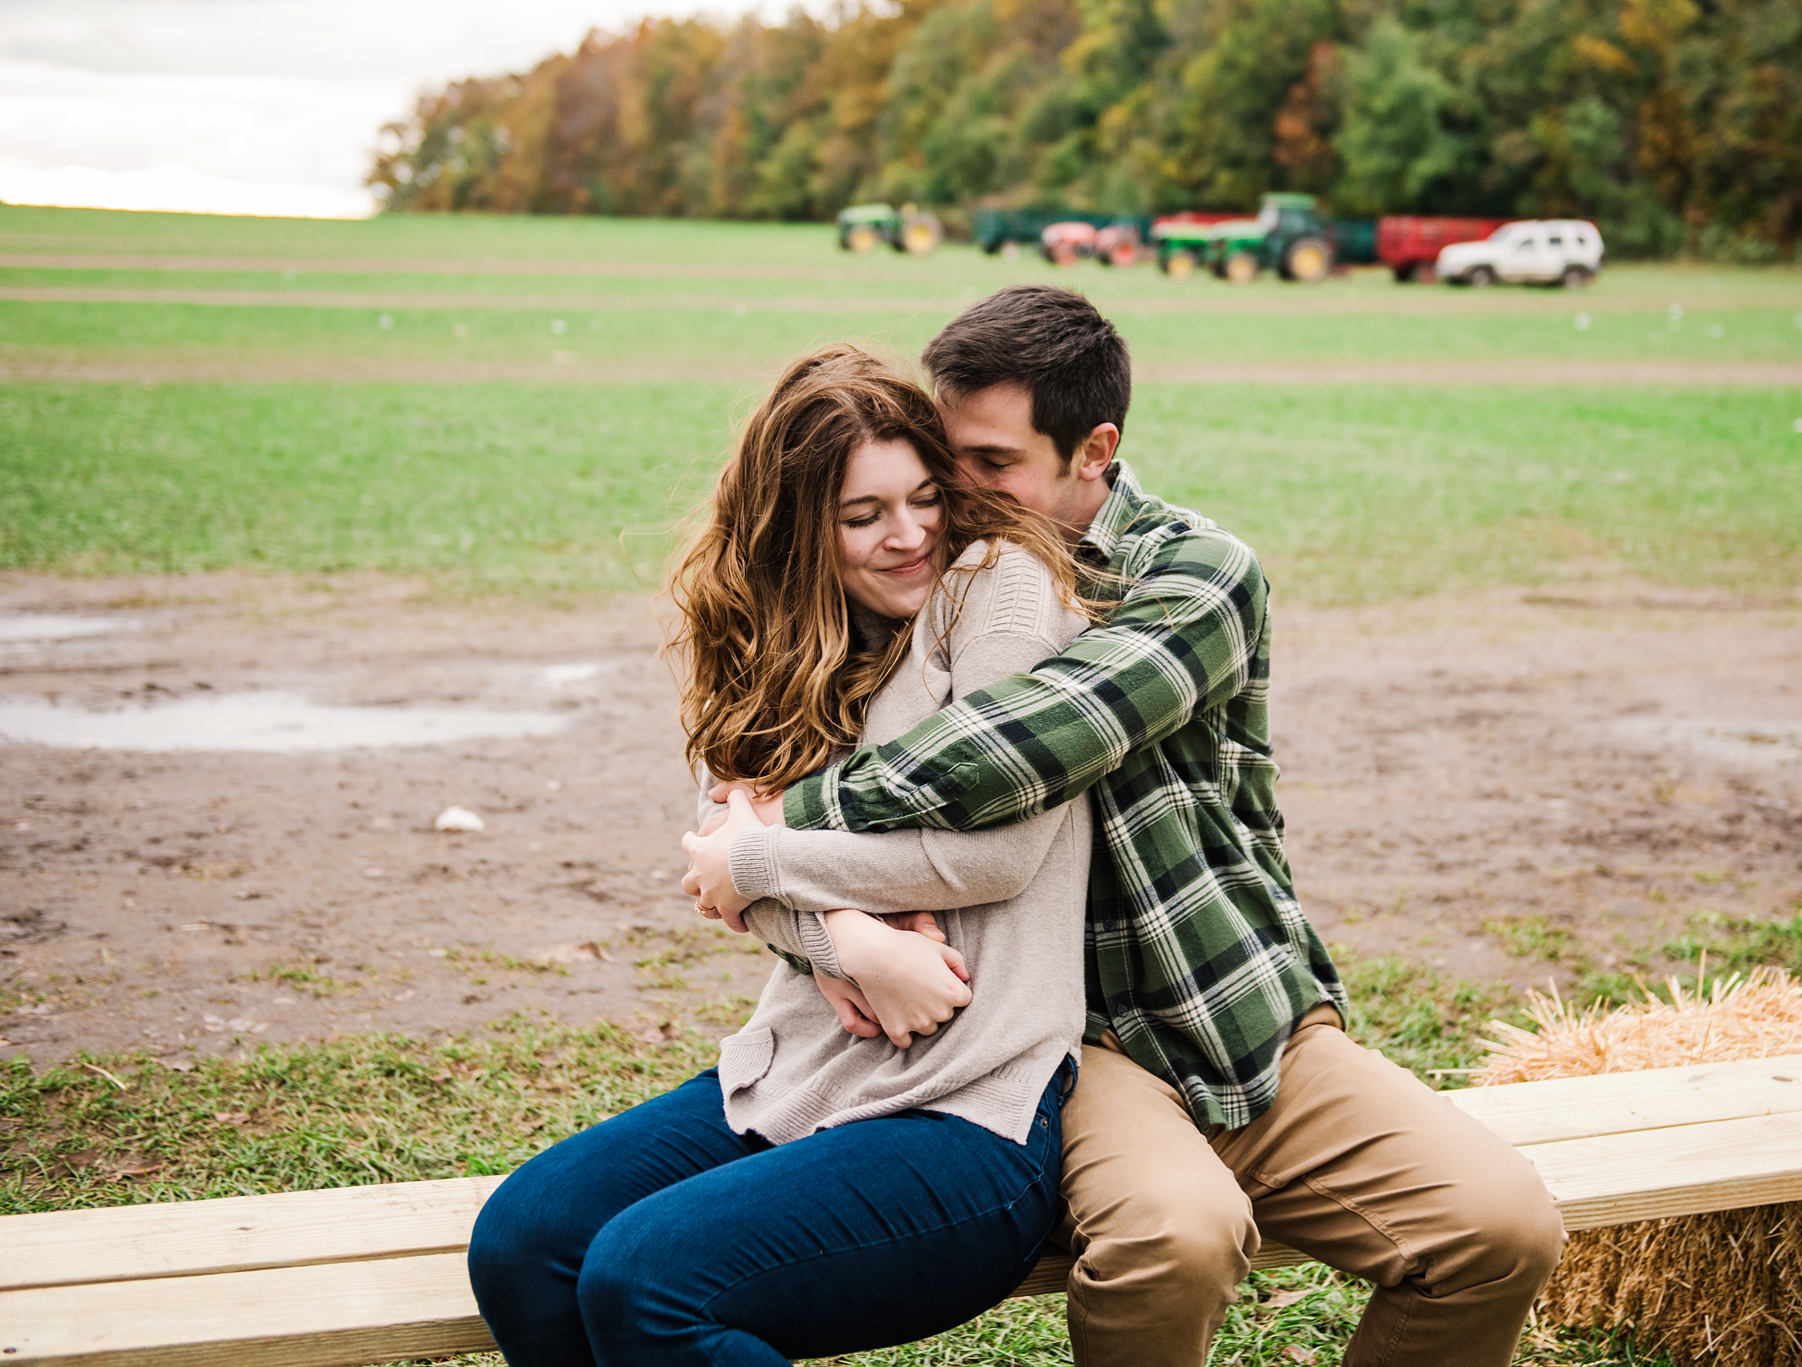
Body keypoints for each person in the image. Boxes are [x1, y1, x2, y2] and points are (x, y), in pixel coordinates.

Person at [684, 286, 1566, 1367]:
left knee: (1503, 1227)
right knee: (1176, 1235)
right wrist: (812, 909)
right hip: (1070, 1035)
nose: (954, 495)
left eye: (990, 464)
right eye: (944, 456)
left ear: (1093, 449)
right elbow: (782, 762)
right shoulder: (933, 588)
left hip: (1235, 1001)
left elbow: (1024, 745)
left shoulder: (1192, 575)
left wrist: (767, 830)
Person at [466, 344, 1098, 1367]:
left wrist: (767, 867)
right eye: (863, 516)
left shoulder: (996, 591)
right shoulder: (775, 641)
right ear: (798, 528)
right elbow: (715, 854)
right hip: (801, 1068)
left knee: (646, 1281)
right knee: (524, 1241)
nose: (910, 535)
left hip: (971, 1112)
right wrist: (844, 937)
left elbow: (998, 855)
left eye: (926, 496)